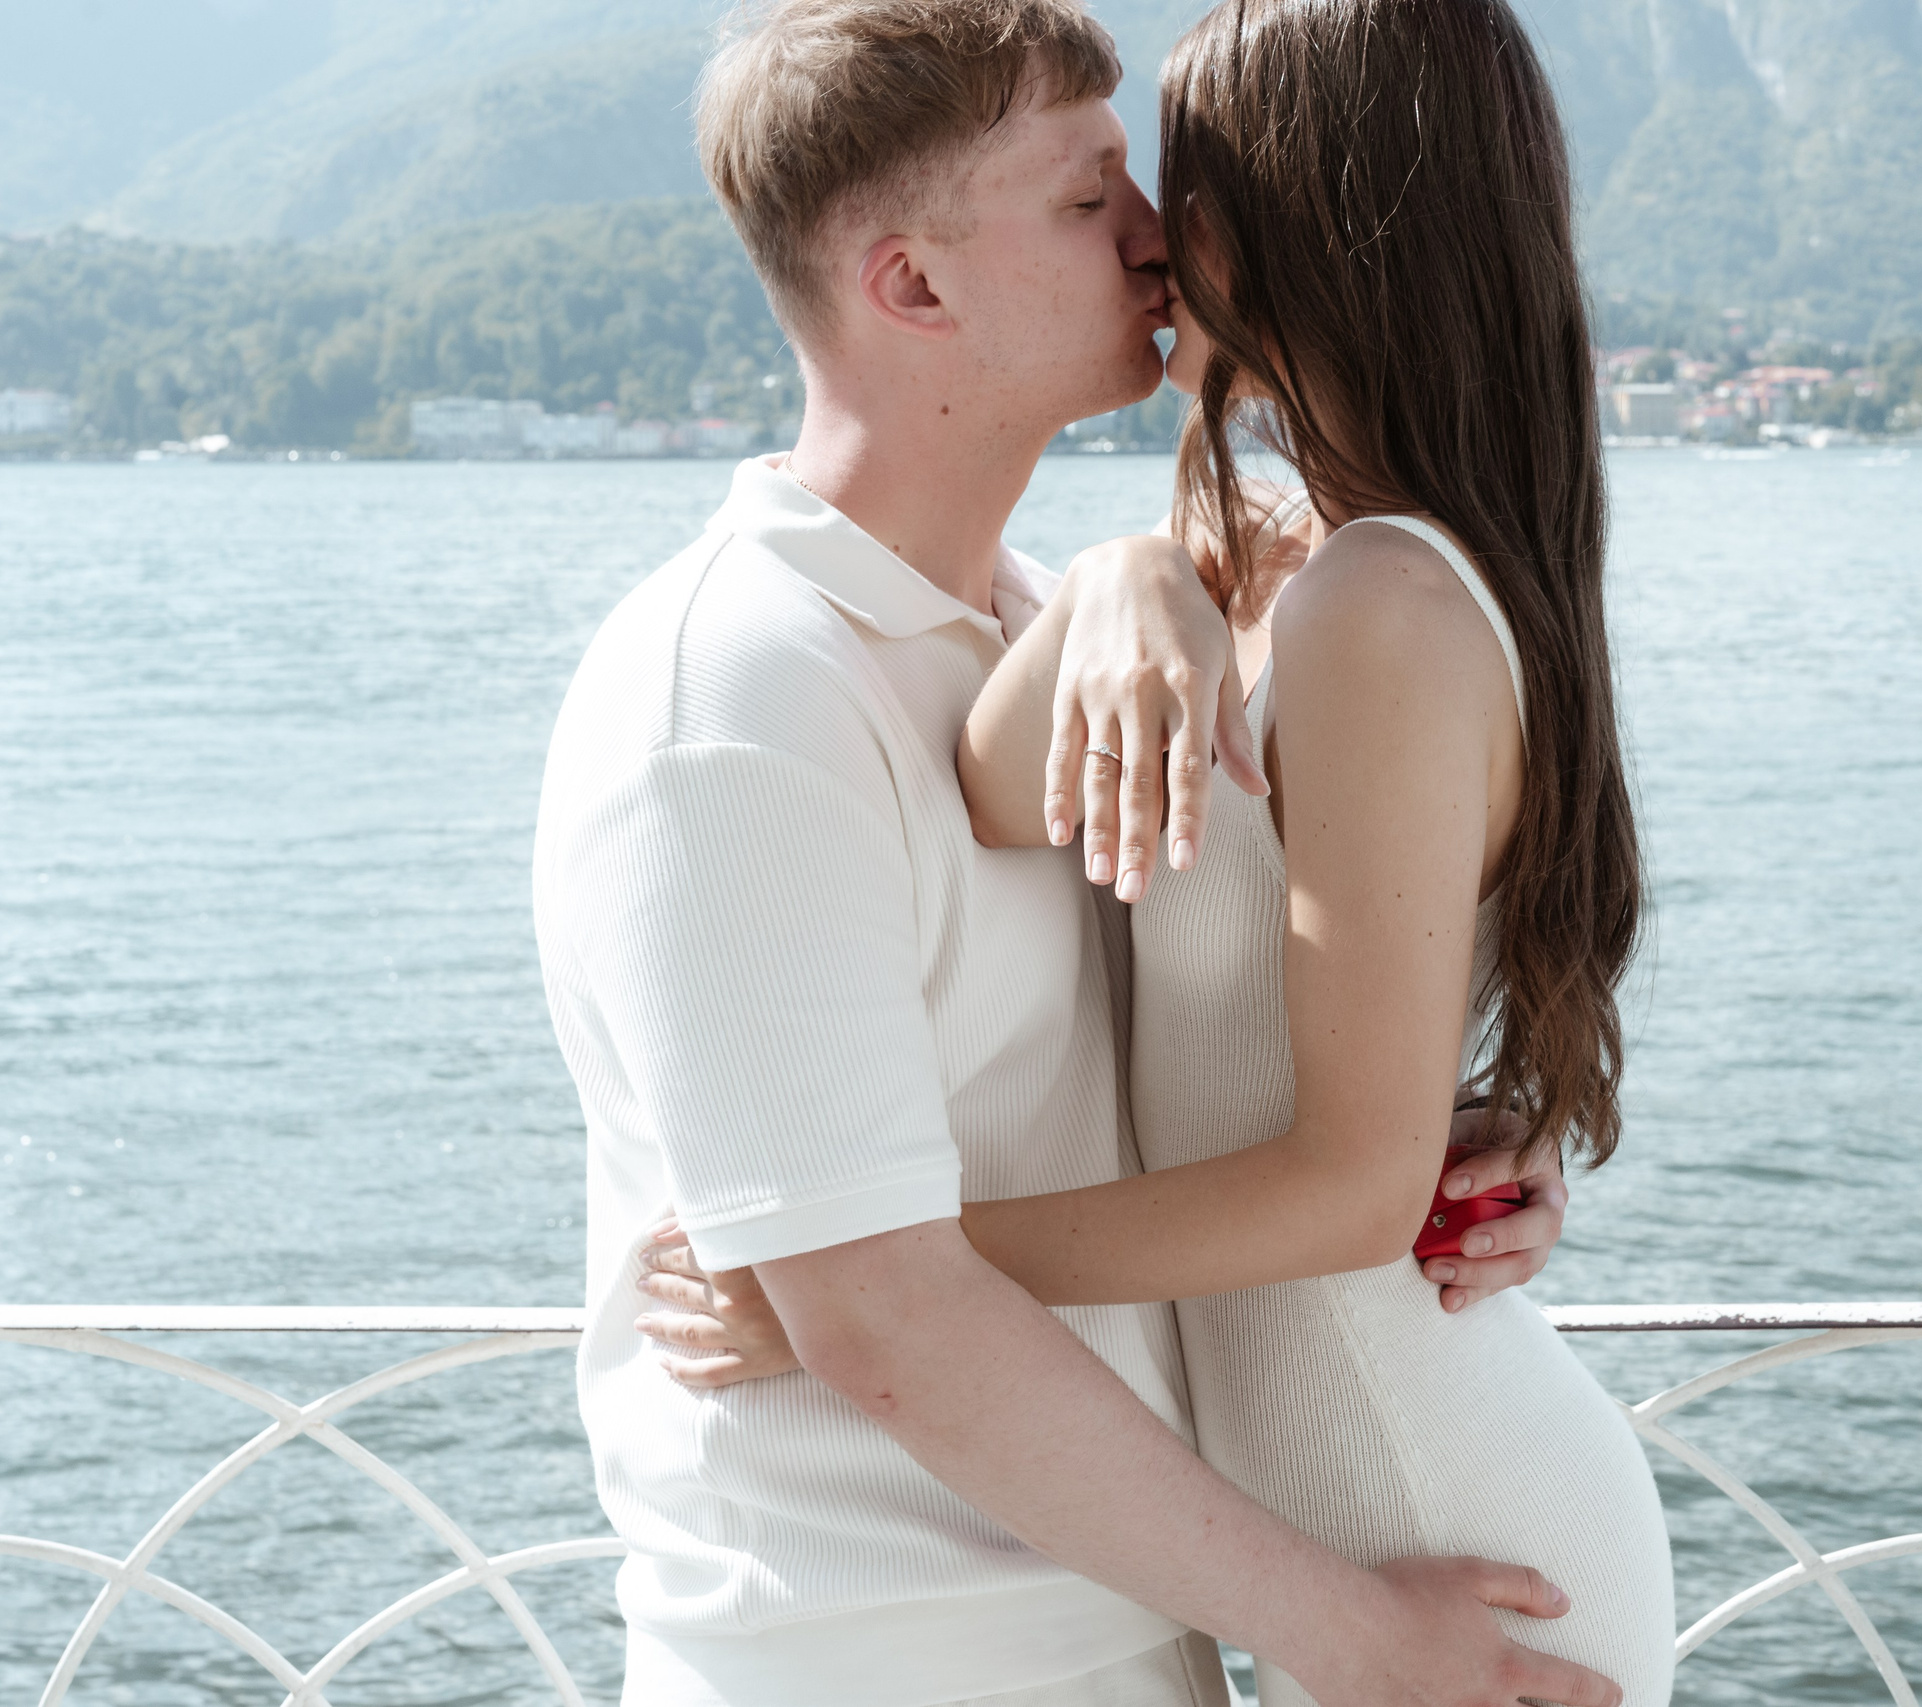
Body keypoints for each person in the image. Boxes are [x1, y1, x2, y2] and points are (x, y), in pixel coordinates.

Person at [533, 1, 1618, 1704]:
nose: (1157, 235)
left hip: (1168, 1632)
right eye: (1091, 192)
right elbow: (876, 1313)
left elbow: (1230, 1059)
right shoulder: (732, 697)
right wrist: (1335, 1623)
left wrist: (1447, 1148)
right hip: (888, 1666)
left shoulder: (1072, 633)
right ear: (912, 286)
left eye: (1161, 182)